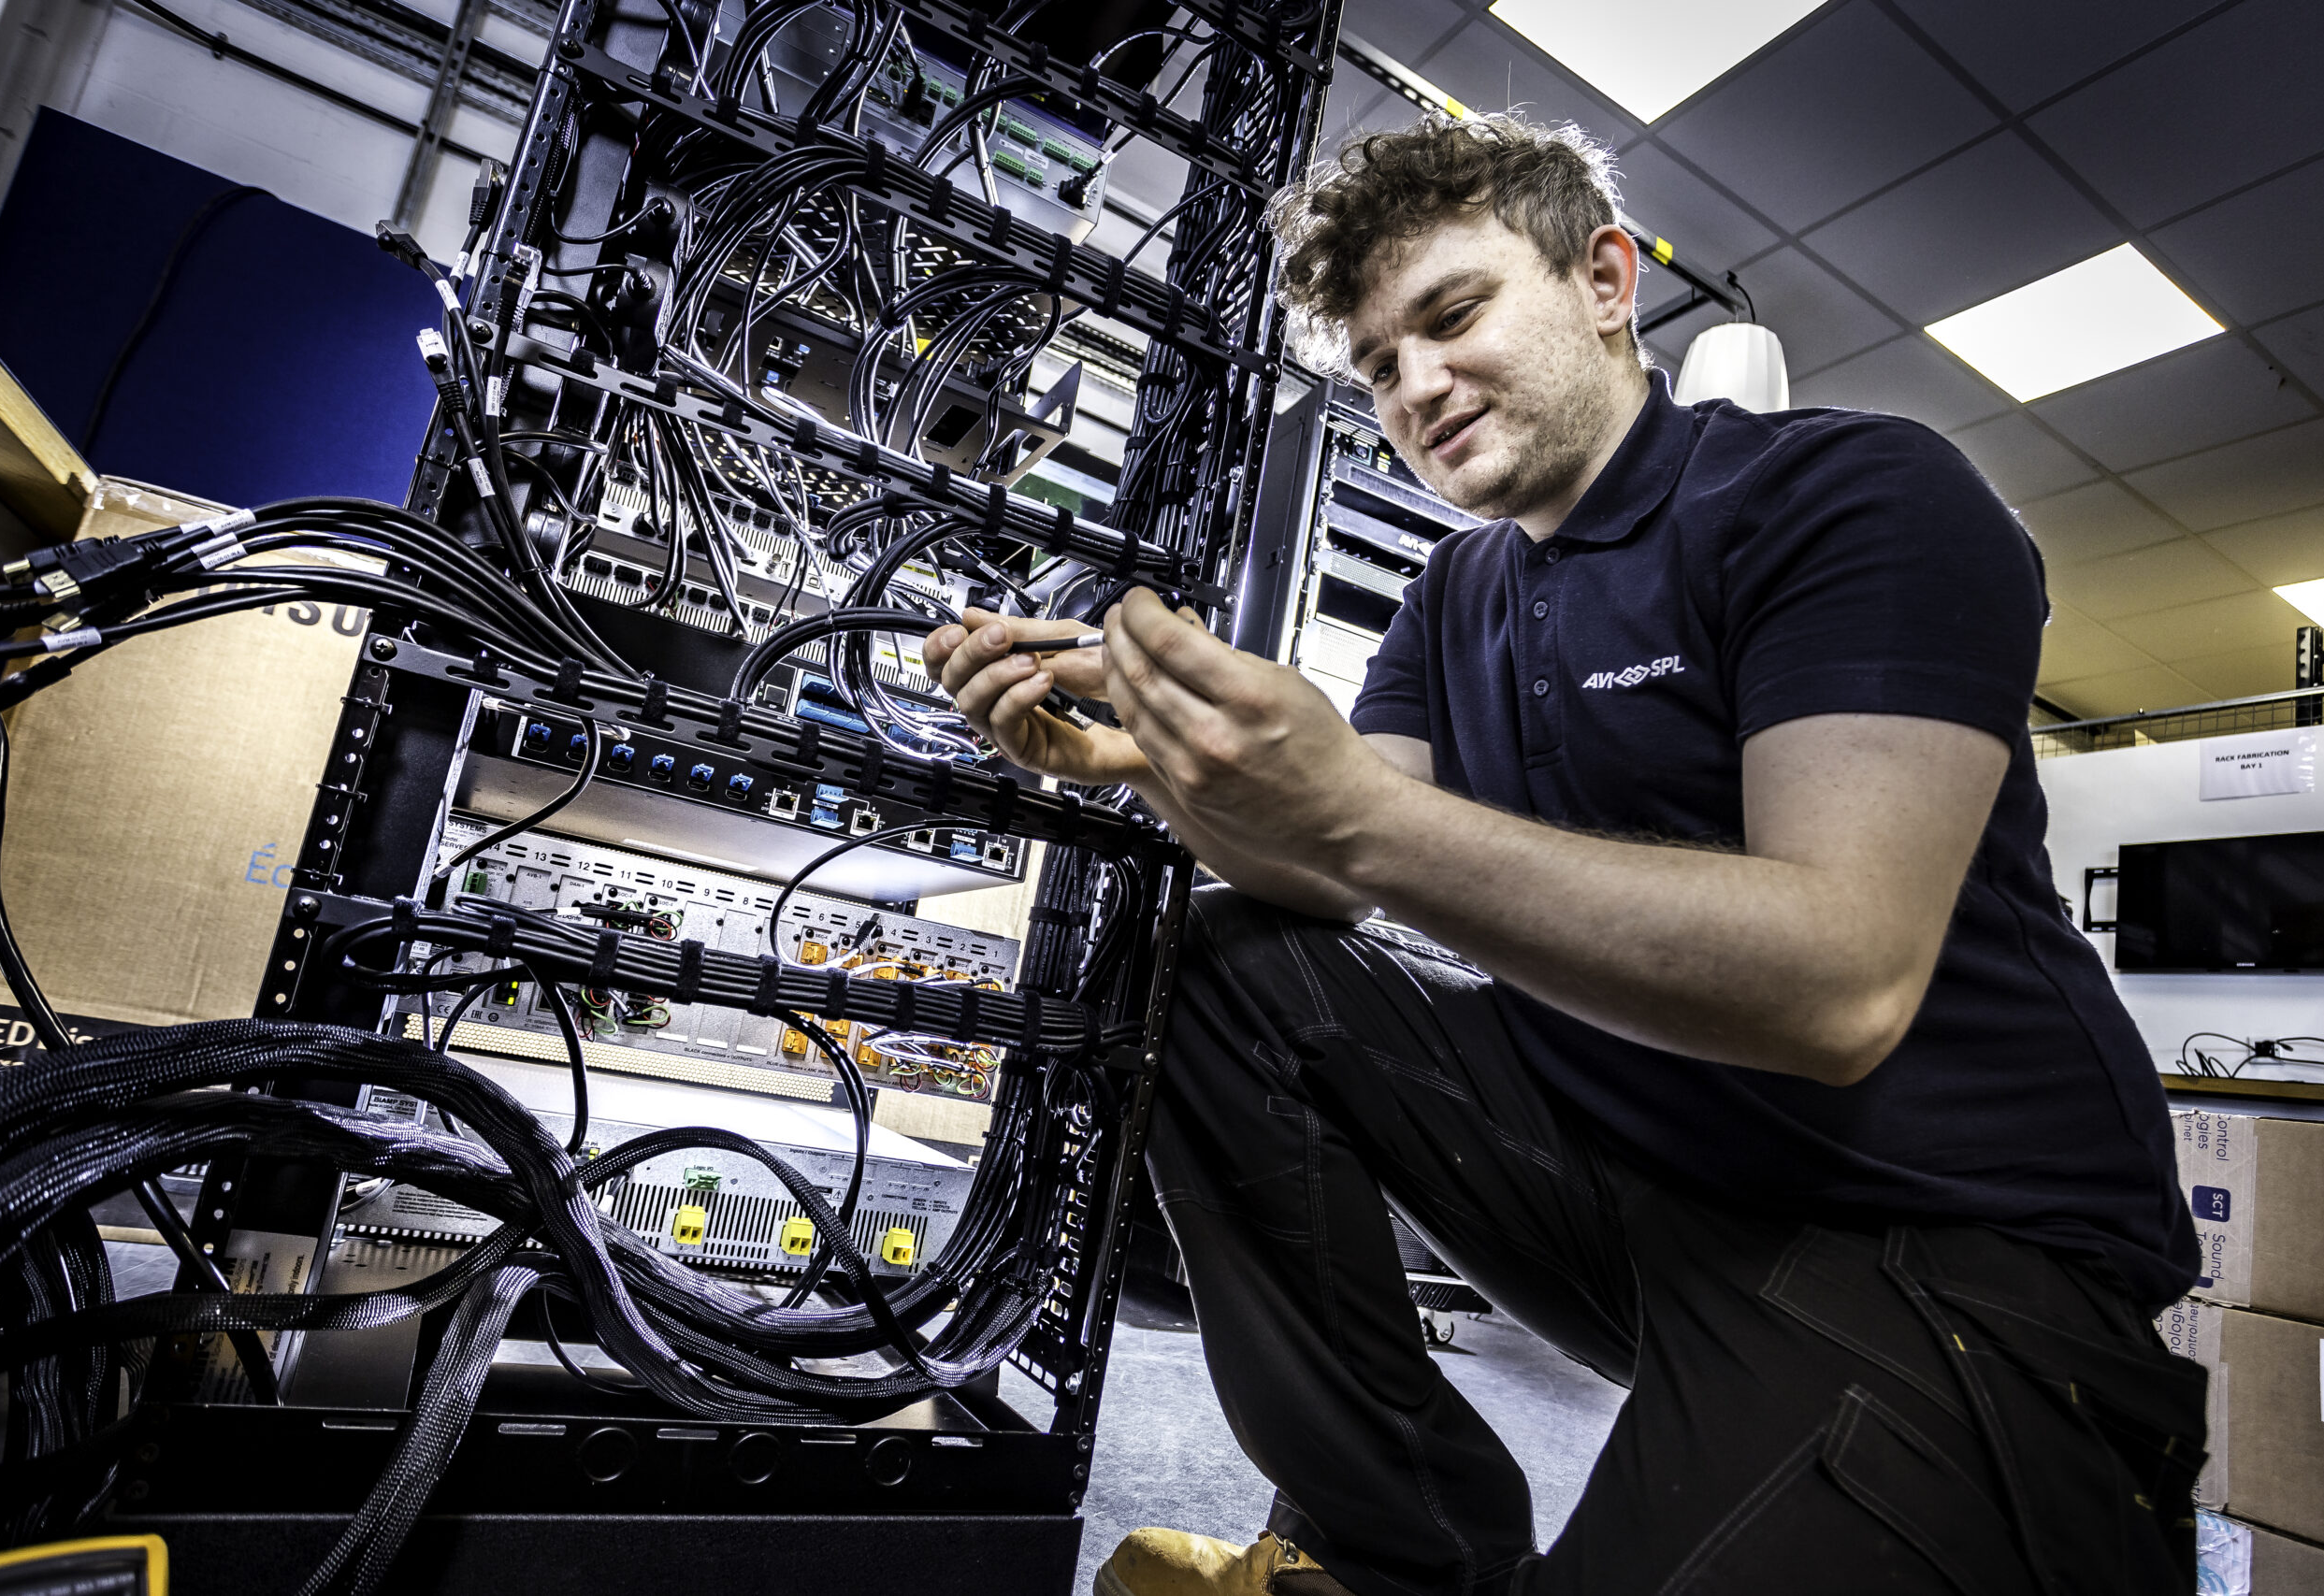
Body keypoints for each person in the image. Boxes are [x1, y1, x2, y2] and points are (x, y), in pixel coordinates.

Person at [925, 114, 2205, 1596]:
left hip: (1950, 1248)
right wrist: (1156, 767)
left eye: (1453, 316)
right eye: (1379, 367)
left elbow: (1839, 983)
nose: (1415, 386)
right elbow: (1327, 879)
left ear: (1606, 281)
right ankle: (1401, 1554)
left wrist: (1345, 807)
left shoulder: (1853, 496)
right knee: (1213, 970)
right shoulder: (1458, 592)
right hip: (1636, 1201)